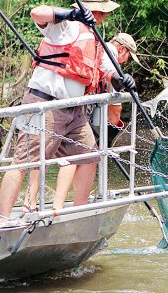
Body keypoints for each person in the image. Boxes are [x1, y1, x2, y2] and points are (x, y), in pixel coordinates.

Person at [0, 0, 135, 221]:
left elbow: (105, 69)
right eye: (103, 12)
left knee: (90, 155)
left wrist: (121, 80)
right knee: (25, 161)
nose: (105, 17)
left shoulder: (95, 37)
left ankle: (79, 211)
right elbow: (36, 12)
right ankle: (3, 218)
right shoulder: (67, 26)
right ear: (94, 10)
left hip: (75, 112)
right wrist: (72, 15)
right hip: (47, 105)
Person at [21, 32, 141, 211]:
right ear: (122, 49)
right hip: (79, 111)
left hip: (60, 102)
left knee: (51, 155)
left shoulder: (95, 48)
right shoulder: (111, 58)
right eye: (129, 57)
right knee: (77, 157)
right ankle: (69, 206)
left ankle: (39, 203)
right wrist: (109, 136)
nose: (126, 62)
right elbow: (115, 110)